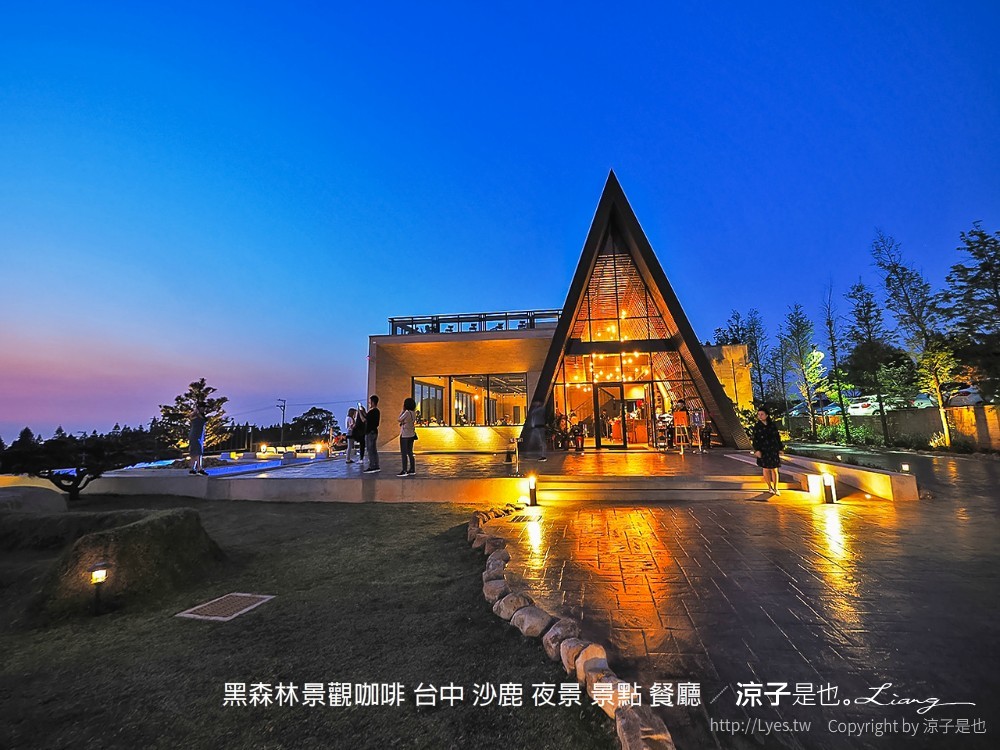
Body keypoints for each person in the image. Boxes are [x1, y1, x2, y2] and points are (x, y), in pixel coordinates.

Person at [751, 407, 783, 495]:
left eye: (762, 414)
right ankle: (769, 487)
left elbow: (777, 437)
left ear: (767, 415)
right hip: (763, 450)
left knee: (774, 469)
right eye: (758, 414)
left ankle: (776, 487)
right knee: (765, 469)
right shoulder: (757, 427)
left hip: (772, 449)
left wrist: (780, 448)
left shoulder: (772, 425)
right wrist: (757, 450)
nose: (760, 416)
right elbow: (755, 439)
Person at [360, 395, 381, 473]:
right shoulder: (377, 411)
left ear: (372, 402)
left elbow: (364, 419)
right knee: (374, 449)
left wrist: (360, 411)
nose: (369, 403)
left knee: (370, 449)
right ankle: (376, 465)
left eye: (370, 401)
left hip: (370, 432)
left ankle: (372, 466)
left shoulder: (372, 411)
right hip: (374, 431)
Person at [397, 397, 417, 476]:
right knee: (410, 452)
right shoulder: (413, 413)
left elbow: (399, 419)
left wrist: (403, 410)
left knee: (404, 453)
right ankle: (412, 469)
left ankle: (404, 470)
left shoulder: (407, 412)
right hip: (411, 434)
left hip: (405, 434)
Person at [188, 404, 209, 476]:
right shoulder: (195, 416)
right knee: (197, 452)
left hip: (199, 435)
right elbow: (192, 418)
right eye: (202, 408)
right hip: (195, 435)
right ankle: (199, 468)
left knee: (195, 452)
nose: (203, 409)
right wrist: (196, 411)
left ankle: (192, 469)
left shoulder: (201, 416)